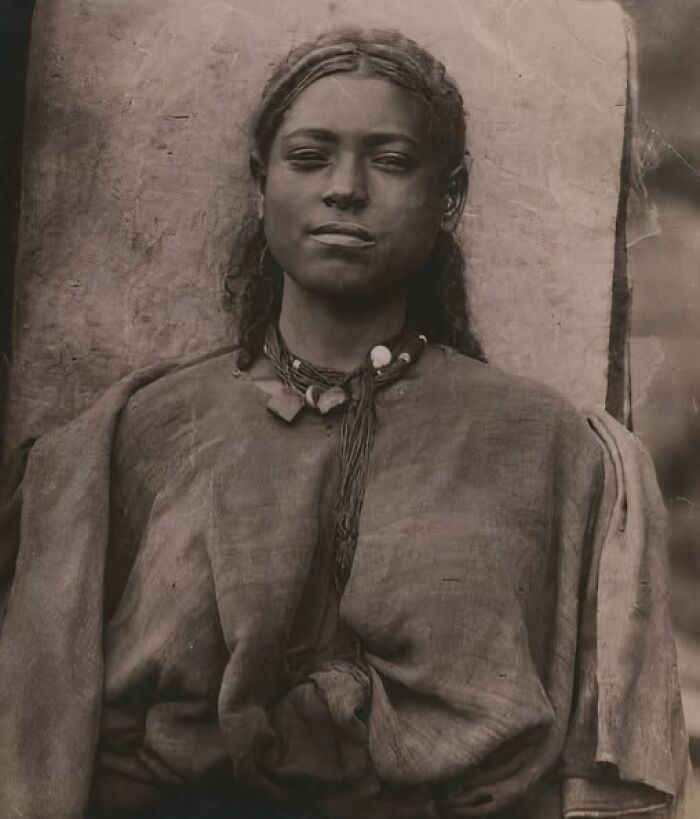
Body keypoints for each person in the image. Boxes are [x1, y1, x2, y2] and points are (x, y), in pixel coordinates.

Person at [0, 27, 691, 819]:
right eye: (308, 156)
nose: (346, 189)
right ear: (261, 184)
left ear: (451, 193)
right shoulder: (136, 437)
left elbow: (591, 768)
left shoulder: (552, 447)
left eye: (391, 161)